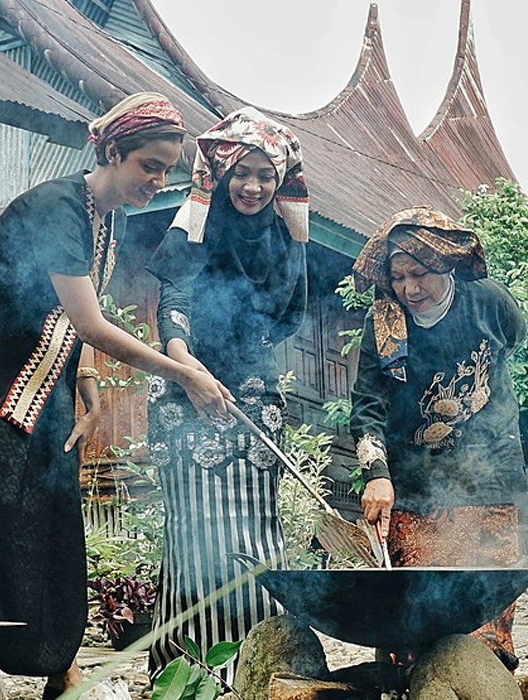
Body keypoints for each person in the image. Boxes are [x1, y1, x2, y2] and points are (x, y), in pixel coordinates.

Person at [0, 92, 232, 697]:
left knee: (53, 514)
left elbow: (70, 318)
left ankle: (57, 663)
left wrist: (88, 393)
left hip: (43, 382)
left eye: (167, 169)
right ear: (113, 151)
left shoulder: (104, 215)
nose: (157, 180)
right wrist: (182, 372)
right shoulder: (58, 206)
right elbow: (90, 322)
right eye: (149, 166)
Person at [142, 106, 309, 684]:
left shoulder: (288, 242)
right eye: (242, 172)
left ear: (281, 180)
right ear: (222, 173)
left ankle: (262, 666)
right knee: (193, 532)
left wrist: (247, 359)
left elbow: (288, 317)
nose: (254, 186)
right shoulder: (198, 226)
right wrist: (187, 365)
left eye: (266, 174)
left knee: (256, 529)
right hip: (184, 395)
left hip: (255, 402)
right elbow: (174, 304)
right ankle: (186, 673)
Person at [349, 206, 527, 670]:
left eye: (421, 273)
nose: (410, 288)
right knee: (411, 619)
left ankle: (484, 680)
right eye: (400, 276)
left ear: (445, 262)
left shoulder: (489, 300)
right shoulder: (383, 324)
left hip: (490, 473)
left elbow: (514, 339)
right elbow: (368, 405)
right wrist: (376, 474)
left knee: (482, 604)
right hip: (414, 481)